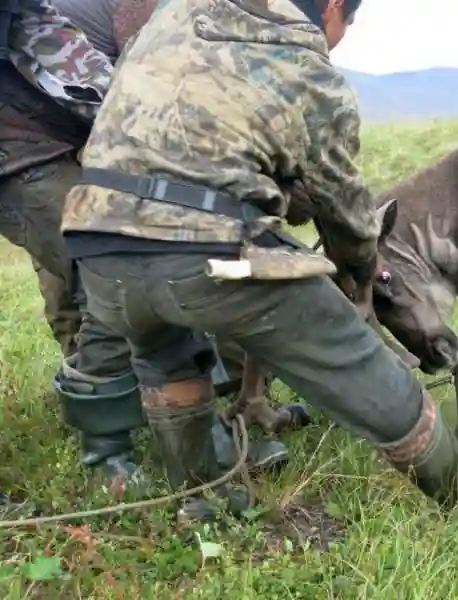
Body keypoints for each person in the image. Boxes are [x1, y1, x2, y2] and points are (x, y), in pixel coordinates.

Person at [61, 0, 458, 523]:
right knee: (350, 353)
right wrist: (361, 265)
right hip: (205, 254)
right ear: (335, 7)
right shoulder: (307, 62)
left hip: (96, 245)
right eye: (348, 25)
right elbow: (343, 205)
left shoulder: (174, 15)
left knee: (165, 353)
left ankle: (200, 497)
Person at [0, 0, 292, 500]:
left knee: (151, 267)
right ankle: (108, 454)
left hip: (61, 139)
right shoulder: (157, 7)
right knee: (109, 274)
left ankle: (203, 452)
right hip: (22, 151)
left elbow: (57, 47)